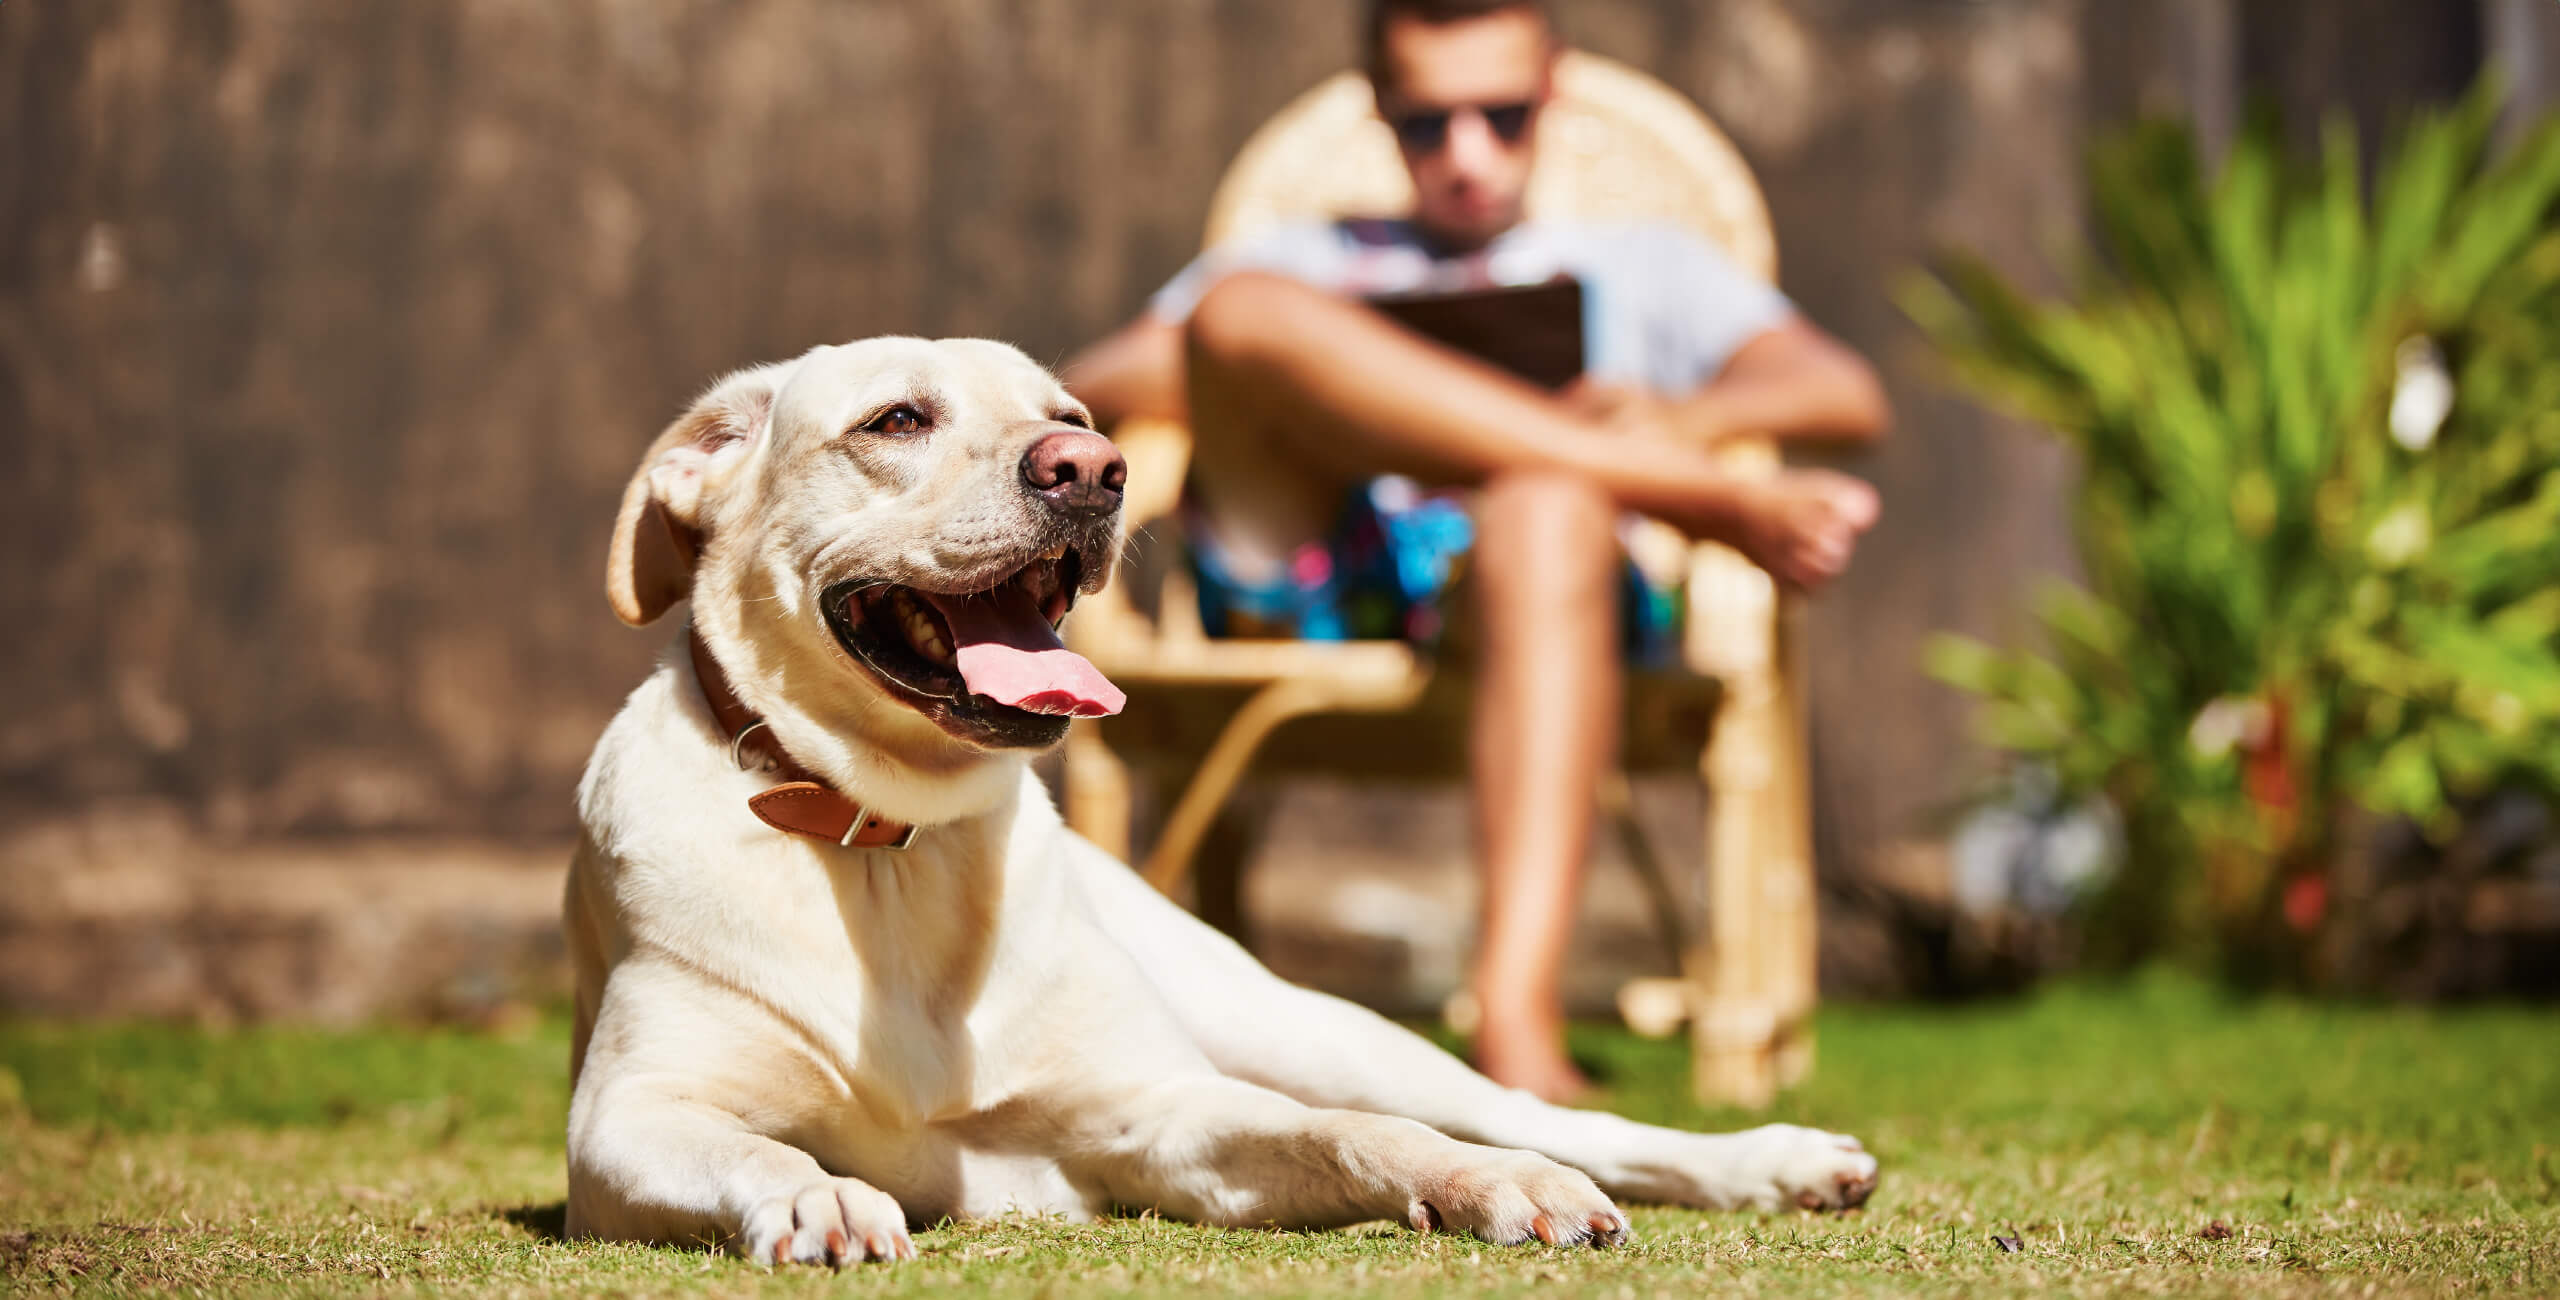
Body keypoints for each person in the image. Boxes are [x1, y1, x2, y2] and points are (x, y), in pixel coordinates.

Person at [1063, 0, 1888, 1102]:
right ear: (1381, 116)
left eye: (1501, 117)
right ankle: (1691, 501)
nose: (1466, 156)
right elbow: (1089, 383)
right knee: (1245, 312)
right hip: (1329, 567)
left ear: (1554, 92)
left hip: (1560, 590)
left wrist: (1657, 421)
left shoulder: (1648, 265)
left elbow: (1840, 390)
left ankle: (1514, 1025)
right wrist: (1338, 377)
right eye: (1427, 125)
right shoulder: (1305, 257)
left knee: (1548, 502)